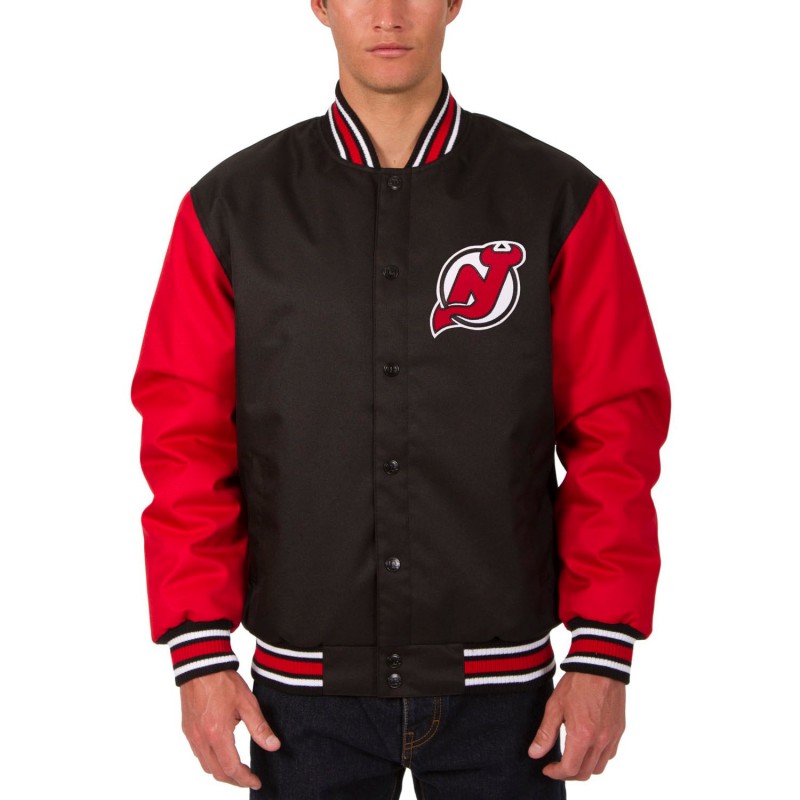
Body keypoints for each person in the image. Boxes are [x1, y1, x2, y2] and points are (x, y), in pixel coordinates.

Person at [131, 1, 671, 797]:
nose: (387, 15)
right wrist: (198, 654)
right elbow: (185, 440)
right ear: (320, 4)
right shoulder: (233, 209)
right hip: (301, 701)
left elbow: (616, 430)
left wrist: (603, 651)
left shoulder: (556, 199)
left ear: (453, 1)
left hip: (509, 700)